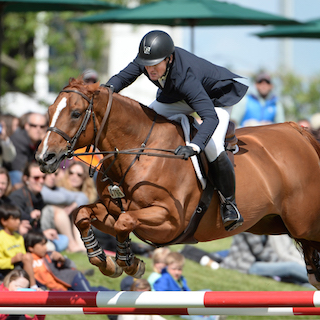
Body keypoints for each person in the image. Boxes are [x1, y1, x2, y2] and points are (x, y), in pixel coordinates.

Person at [104, 30, 248, 231]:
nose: (150, 69)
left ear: (169, 59)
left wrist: (195, 146)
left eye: (155, 65)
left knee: (212, 146)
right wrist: (102, 92)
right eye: (147, 64)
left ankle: (229, 204)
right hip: (178, 97)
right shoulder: (146, 60)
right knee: (146, 123)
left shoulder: (185, 75)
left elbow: (210, 117)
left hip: (214, 100)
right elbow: (122, 78)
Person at [9, 162, 84, 253]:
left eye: (43, 177)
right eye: (36, 178)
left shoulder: (39, 196)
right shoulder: (17, 197)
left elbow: (84, 197)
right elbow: (19, 226)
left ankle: (78, 245)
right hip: (24, 237)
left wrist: (44, 233)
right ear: (26, 179)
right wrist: (41, 233)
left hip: (38, 234)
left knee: (63, 239)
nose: (41, 181)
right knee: (51, 246)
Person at [221, 232, 320, 286]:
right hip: (244, 266)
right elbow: (261, 252)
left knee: (290, 274)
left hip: (257, 262)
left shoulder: (262, 229)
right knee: (290, 267)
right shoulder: (248, 228)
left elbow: (267, 251)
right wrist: (280, 262)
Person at [24, 231, 111, 291]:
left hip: (72, 278)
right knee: (88, 294)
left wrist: (62, 259)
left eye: (45, 244)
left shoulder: (50, 255)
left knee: (89, 296)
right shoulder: (27, 260)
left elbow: (72, 266)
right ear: (31, 247)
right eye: (42, 245)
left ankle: (115, 300)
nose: (45, 247)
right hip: (60, 288)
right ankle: (112, 294)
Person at [0, 204, 36, 287]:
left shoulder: (19, 237)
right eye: (14, 219)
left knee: (28, 257)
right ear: (4, 221)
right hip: (5, 272)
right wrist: (12, 260)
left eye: (19, 219)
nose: (18, 222)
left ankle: (33, 285)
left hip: (18, 268)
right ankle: (33, 286)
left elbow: (24, 256)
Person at [7, 112, 48, 186]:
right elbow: (20, 168)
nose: (38, 129)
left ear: (46, 128)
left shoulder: (41, 142)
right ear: (26, 126)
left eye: (42, 127)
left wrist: (45, 145)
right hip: (14, 176)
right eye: (34, 126)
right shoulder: (18, 139)